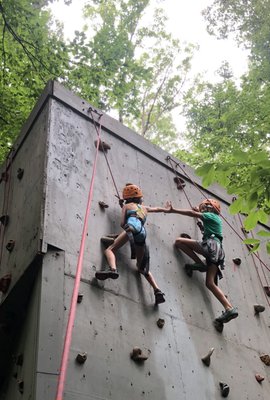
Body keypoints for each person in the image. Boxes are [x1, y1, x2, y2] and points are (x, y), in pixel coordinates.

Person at [95, 183, 171, 304]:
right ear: (139, 198)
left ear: (127, 198)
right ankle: (157, 290)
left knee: (109, 249)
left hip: (131, 228)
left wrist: (123, 207)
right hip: (141, 232)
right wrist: (167, 209)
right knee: (141, 267)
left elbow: (122, 223)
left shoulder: (127, 206)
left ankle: (113, 270)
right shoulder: (145, 208)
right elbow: (157, 209)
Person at [171, 198, 238, 324]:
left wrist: (173, 210)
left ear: (209, 208)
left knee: (179, 241)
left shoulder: (210, 215)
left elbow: (192, 214)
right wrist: (200, 223)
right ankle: (229, 308)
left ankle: (200, 264)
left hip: (211, 247)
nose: (202, 210)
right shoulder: (214, 219)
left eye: (204, 208)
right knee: (210, 283)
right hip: (217, 251)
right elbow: (206, 227)